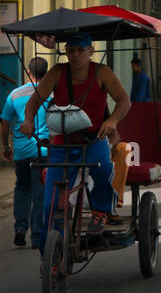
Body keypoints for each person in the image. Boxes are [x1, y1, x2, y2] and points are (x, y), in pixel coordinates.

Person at [20, 34, 131, 244]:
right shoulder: (57, 72)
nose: (76, 55)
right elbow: (34, 101)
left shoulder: (101, 72)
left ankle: (101, 211)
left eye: (81, 50)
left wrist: (113, 121)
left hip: (93, 139)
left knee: (104, 168)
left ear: (91, 51)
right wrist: (27, 121)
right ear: (66, 53)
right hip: (63, 142)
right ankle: (51, 258)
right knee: (50, 204)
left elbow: (124, 100)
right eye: (71, 50)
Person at [1, 57, 50, 248]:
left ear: (29, 72)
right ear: (46, 73)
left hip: (21, 152)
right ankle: (37, 236)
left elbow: (4, 123)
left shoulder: (14, 94)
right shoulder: (51, 94)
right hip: (44, 151)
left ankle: (20, 228)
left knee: (22, 188)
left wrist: (5, 146)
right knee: (39, 193)